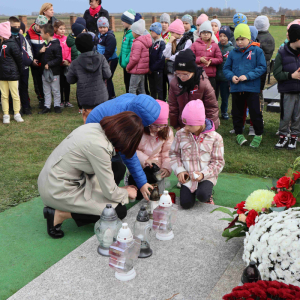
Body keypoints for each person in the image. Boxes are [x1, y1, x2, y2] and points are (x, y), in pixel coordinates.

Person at [39, 111, 143, 239]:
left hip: (55, 180)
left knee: (118, 167)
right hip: (58, 190)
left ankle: (94, 202)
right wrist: (126, 193)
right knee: (117, 211)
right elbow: (110, 192)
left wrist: (116, 191)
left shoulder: (94, 128)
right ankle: (59, 214)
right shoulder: (100, 147)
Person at [86, 93, 161, 201]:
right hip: (94, 136)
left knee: (116, 164)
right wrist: (142, 183)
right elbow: (128, 154)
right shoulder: (124, 125)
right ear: (138, 121)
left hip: (99, 127)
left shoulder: (133, 101)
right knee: (111, 167)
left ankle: (109, 191)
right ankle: (103, 196)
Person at [170, 100, 224, 209]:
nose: (186, 128)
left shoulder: (216, 138)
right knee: (185, 204)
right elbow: (174, 154)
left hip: (206, 176)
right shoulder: (180, 134)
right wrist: (180, 170)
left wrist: (203, 174)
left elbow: (218, 162)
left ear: (200, 123)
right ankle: (192, 191)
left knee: (203, 195)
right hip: (188, 177)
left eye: (190, 125)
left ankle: (207, 194)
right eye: (184, 124)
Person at [223, 24, 267, 148]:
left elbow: (262, 67)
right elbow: (226, 68)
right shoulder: (232, 53)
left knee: (254, 112)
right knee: (236, 112)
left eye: (242, 39)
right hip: (236, 88)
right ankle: (238, 133)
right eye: (237, 39)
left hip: (251, 88)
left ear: (249, 38)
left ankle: (258, 134)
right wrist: (232, 76)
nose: (239, 42)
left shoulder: (257, 51)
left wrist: (248, 76)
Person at [129, 100, 174, 198]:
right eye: (155, 125)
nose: (158, 128)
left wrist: (166, 168)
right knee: (138, 195)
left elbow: (167, 153)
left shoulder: (167, 132)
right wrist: (145, 160)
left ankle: (153, 184)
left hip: (157, 167)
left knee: (156, 195)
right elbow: (131, 150)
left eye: (162, 125)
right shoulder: (138, 130)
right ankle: (132, 183)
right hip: (140, 165)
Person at [168, 49, 220, 130]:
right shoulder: (174, 83)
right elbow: (173, 106)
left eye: (185, 74)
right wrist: (175, 124)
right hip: (184, 125)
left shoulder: (203, 83)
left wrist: (210, 127)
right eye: (178, 74)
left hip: (200, 126)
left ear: (193, 71)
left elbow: (211, 107)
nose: (181, 77)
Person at [67, 33, 111, 123]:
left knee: (89, 128)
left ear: (78, 47)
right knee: (104, 125)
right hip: (101, 99)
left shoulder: (75, 63)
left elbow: (70, 79)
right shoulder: (101, 58)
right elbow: (108, 74)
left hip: (86, 100)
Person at [273, 24, 300, 150]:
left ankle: (294, 137)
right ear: (295, 39)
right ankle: (283, 136)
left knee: (297, 116)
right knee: (286, 115)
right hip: (288, 91)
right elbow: (276, 73)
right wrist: (291, 76)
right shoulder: (282, 53)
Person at [9, 16, 33, 115]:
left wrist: (29, 60)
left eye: (18, 26)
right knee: (14, 90)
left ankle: (26, 107)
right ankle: (15, 109)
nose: (17, 28)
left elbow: (28, 49)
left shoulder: (22, 37)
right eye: (14, 26)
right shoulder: (7, 38)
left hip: (24, 67)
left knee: (24, 88)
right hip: (12, 68)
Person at [0, 21, 24, 124]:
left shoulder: (12, 45)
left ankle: (16, 113)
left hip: (12, 74)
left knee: (14, 95)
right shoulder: (1, 45)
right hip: (2, 74)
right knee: (4, 95)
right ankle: (6, 115)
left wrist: (20, 71)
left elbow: (19, 59)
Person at [191, 21, 223, 92]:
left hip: (211, 76)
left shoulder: (214, 45)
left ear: (211, 33)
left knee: (210, 96)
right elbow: (190, 58)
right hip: (198, 75)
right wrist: (200, 59)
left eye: (208, 32)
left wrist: (211, 61)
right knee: (199, 96)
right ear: (200, 34)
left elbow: (220, 59)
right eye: (203, 32)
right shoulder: (194, 45)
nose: (206, 34)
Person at [38, 23, 62, 114]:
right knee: (46, 90)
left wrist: (50, 64)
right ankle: (47, 106)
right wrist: (40, 52)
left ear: (47, 34)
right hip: (44, 72)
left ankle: (57, 106)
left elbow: (59, 58)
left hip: (54, 72)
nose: (41, 35)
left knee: (55, 90)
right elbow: (39, 57)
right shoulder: (44, 45)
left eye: (41, 33)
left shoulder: (56, 45)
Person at [26, 15, 48, 109]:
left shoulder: (45, 33)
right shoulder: (29, 33)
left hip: (44, 61)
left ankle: (47, 99)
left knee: (45, 81)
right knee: (37, 82)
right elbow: (27, 48)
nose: (41, 29)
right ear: (36, 24)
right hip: (34, 62)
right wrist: (31, 61)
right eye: (40, 27)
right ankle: (41, 99)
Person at [254, 16, 275, 111]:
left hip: (255, 67)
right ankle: (259, 112)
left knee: (254, 92)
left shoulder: (255, 37)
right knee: (260, 91)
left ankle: (256, 113)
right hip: (265, 67)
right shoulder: (270, 38)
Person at [126, 19, 152, 95]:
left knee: (132, 88)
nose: (131, 33)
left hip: (136, 70)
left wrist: (128, 67)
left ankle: (132, 104)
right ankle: (143, 103)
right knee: (141, 89)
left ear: (136, 32)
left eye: (132, 31)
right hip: (142, 70)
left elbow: (135, 59)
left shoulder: (137, 43)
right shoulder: (144, 41)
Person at [163, 19, 192, 83]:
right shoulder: (172, 41)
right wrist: (169, 42)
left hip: (181, 68)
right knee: (172, 87)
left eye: (173, 32)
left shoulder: (187, 41)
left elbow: (182, 54)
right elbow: (166, 54)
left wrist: (170, 58)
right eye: (171, 32)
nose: (171, 34)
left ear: (178, 32)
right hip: (170, 69)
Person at [96, 17, 118, 100]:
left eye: (104, 27)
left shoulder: (110, 37)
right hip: (104, 59)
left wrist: (102, 60)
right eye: (100, 27)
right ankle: (111, 96)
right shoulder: (100, 36)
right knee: (107, 78)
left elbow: (109, 51)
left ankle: (108, 97)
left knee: (106, 78)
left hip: (110, 60)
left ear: (107, 27)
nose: (102, 29)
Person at [216, 26, 234, 120]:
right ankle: (214, 112)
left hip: (225, 77)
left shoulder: (231, 49)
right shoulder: (215, 46)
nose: (222, 38)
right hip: (215, 76)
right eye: (221, 35)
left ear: (228, 37)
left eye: (224, 36)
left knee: (225, 96)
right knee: (214, 96)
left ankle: (224, 111)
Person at [53, 20, 72, 109]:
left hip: (66, 64)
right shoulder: (53, 39)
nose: (63, 31)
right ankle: (60, 101)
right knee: (59, 84)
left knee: (67, 83)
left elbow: (70, 50)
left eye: (64, 29)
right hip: (58, 65)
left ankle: (67, 101)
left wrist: (68, 60)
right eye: (60, 29)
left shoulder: (66, 39)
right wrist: (60, 60)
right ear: (56, 29)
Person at [119, 9, 135, 93]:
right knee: (126, 82)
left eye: (123, 21)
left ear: (128, 21)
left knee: (130, 84)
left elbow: (132, 50)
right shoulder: (126, 32)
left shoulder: (132, 34)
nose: (122, 23)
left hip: (129, 64)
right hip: (125, 64)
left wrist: (125, 60)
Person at [149, 22, 166, 101]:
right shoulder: (152, 43)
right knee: (152, 88)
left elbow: (161, 59)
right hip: (151, 71)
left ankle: (161, 104)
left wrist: (152, 68)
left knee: (159, 89)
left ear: (157, 31)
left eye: (152, 31)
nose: (151, 33)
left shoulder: (161, 43)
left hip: (158, 71)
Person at [160, 13, 171, 101]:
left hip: (169, 63)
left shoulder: (171, 34)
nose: (164, 24)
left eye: (166, 22)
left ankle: (171, 100)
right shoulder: (158, 33)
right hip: (160, 63)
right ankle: (163, 100)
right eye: (162, 22)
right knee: (162, 83)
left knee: (170, 83)